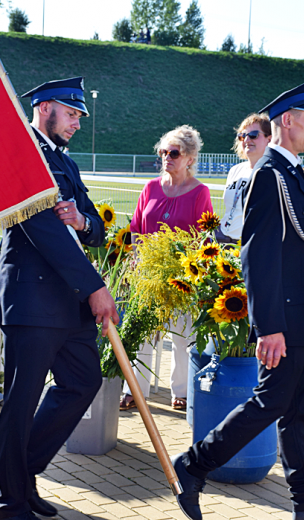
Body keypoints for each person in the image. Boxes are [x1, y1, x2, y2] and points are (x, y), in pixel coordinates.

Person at [172, 81, 304, 520]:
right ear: (287, 121)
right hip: (284, 319)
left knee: (292, 409)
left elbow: (299, 244)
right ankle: (193, 464)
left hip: (301, 311)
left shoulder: (290, 171)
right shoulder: (270, 174)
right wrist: (268, 326)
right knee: (271, 402)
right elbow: (256, 256)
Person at [0, 77, 119, 520]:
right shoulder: (22, 153)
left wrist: (84, 220)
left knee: (82, 382)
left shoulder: (64, 161)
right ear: (45, 107)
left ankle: (20, 473)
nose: (79, 122)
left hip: (67, 300)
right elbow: (42, 231)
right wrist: (96, 288)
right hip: (32, 296)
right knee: (22, 399)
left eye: (80, 115)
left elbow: (96, 230)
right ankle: (8, 500)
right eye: (72, 113)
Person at [119, 125, 213, 412]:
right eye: (163, 152)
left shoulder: (200, 193)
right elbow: (136, 228)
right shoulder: (149, 188)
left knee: (183, 338)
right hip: (147, 277)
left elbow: (201, 237)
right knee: (143, 335)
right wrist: (135, 260)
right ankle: (135, 390)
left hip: (182, 278)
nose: (166, 157)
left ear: (190, 158)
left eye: (174, 153)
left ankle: (181, 393)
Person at [216, 113, 272, 244]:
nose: (246, 140)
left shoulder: (272, 172)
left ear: (269, 139)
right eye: (242, 136)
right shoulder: (235, 170)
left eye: (253, 135)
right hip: (223, 241)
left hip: (251, 244)